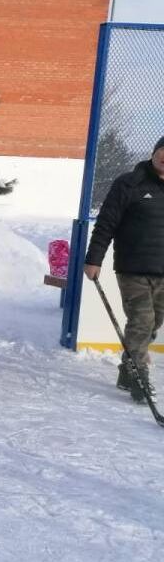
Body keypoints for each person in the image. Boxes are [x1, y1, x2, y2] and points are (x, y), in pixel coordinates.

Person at [83, 135, 164, 397]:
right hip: (133, 267)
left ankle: (127, 369)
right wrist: (94, 259)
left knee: (153, 324)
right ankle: (139, 376)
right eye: (162, 149)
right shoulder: (129, 184)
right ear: (154, 151)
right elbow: (106, 222)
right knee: (142, 321)